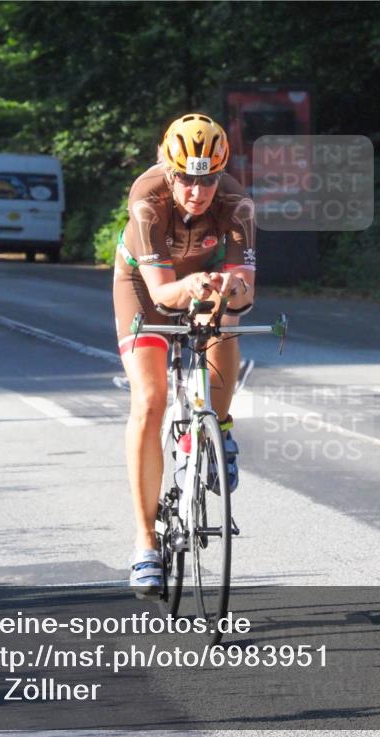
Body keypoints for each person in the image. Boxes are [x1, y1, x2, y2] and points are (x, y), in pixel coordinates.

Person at [113, 113, 256, 598]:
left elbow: (245, 293)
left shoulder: (238, 206)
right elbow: (159, 290)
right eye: (187, 179)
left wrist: (229, 289)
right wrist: (191, 287)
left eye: (209, 179)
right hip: (144, 286)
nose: (197, 191)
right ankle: (145, 543)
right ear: (167, 170)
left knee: (227, 322)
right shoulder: (147, 202)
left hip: (202, 281)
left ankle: (220, 428)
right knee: (150, 399)